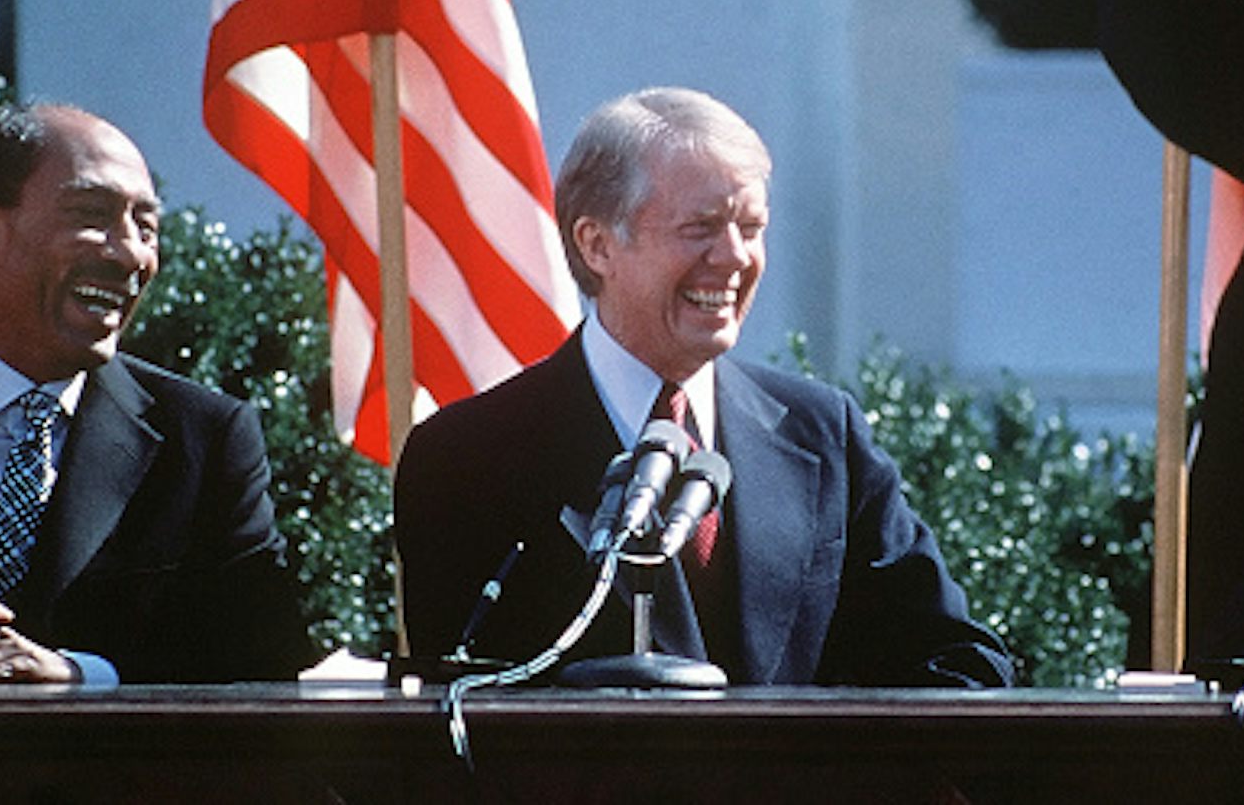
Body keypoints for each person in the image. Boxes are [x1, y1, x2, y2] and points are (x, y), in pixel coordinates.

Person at [395, 87, 1012, 686]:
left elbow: (955, 659)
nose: (736, 255)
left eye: (752, 226)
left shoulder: (824, 435)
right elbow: (467, 703)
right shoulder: (465, 458)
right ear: (598, 244)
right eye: (702, 227)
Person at [0, 103, 312, 684]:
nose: (129, 253)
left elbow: (266, 671)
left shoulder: (204, 441)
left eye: (146, 227)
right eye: (92, 215)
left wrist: (80, 675)